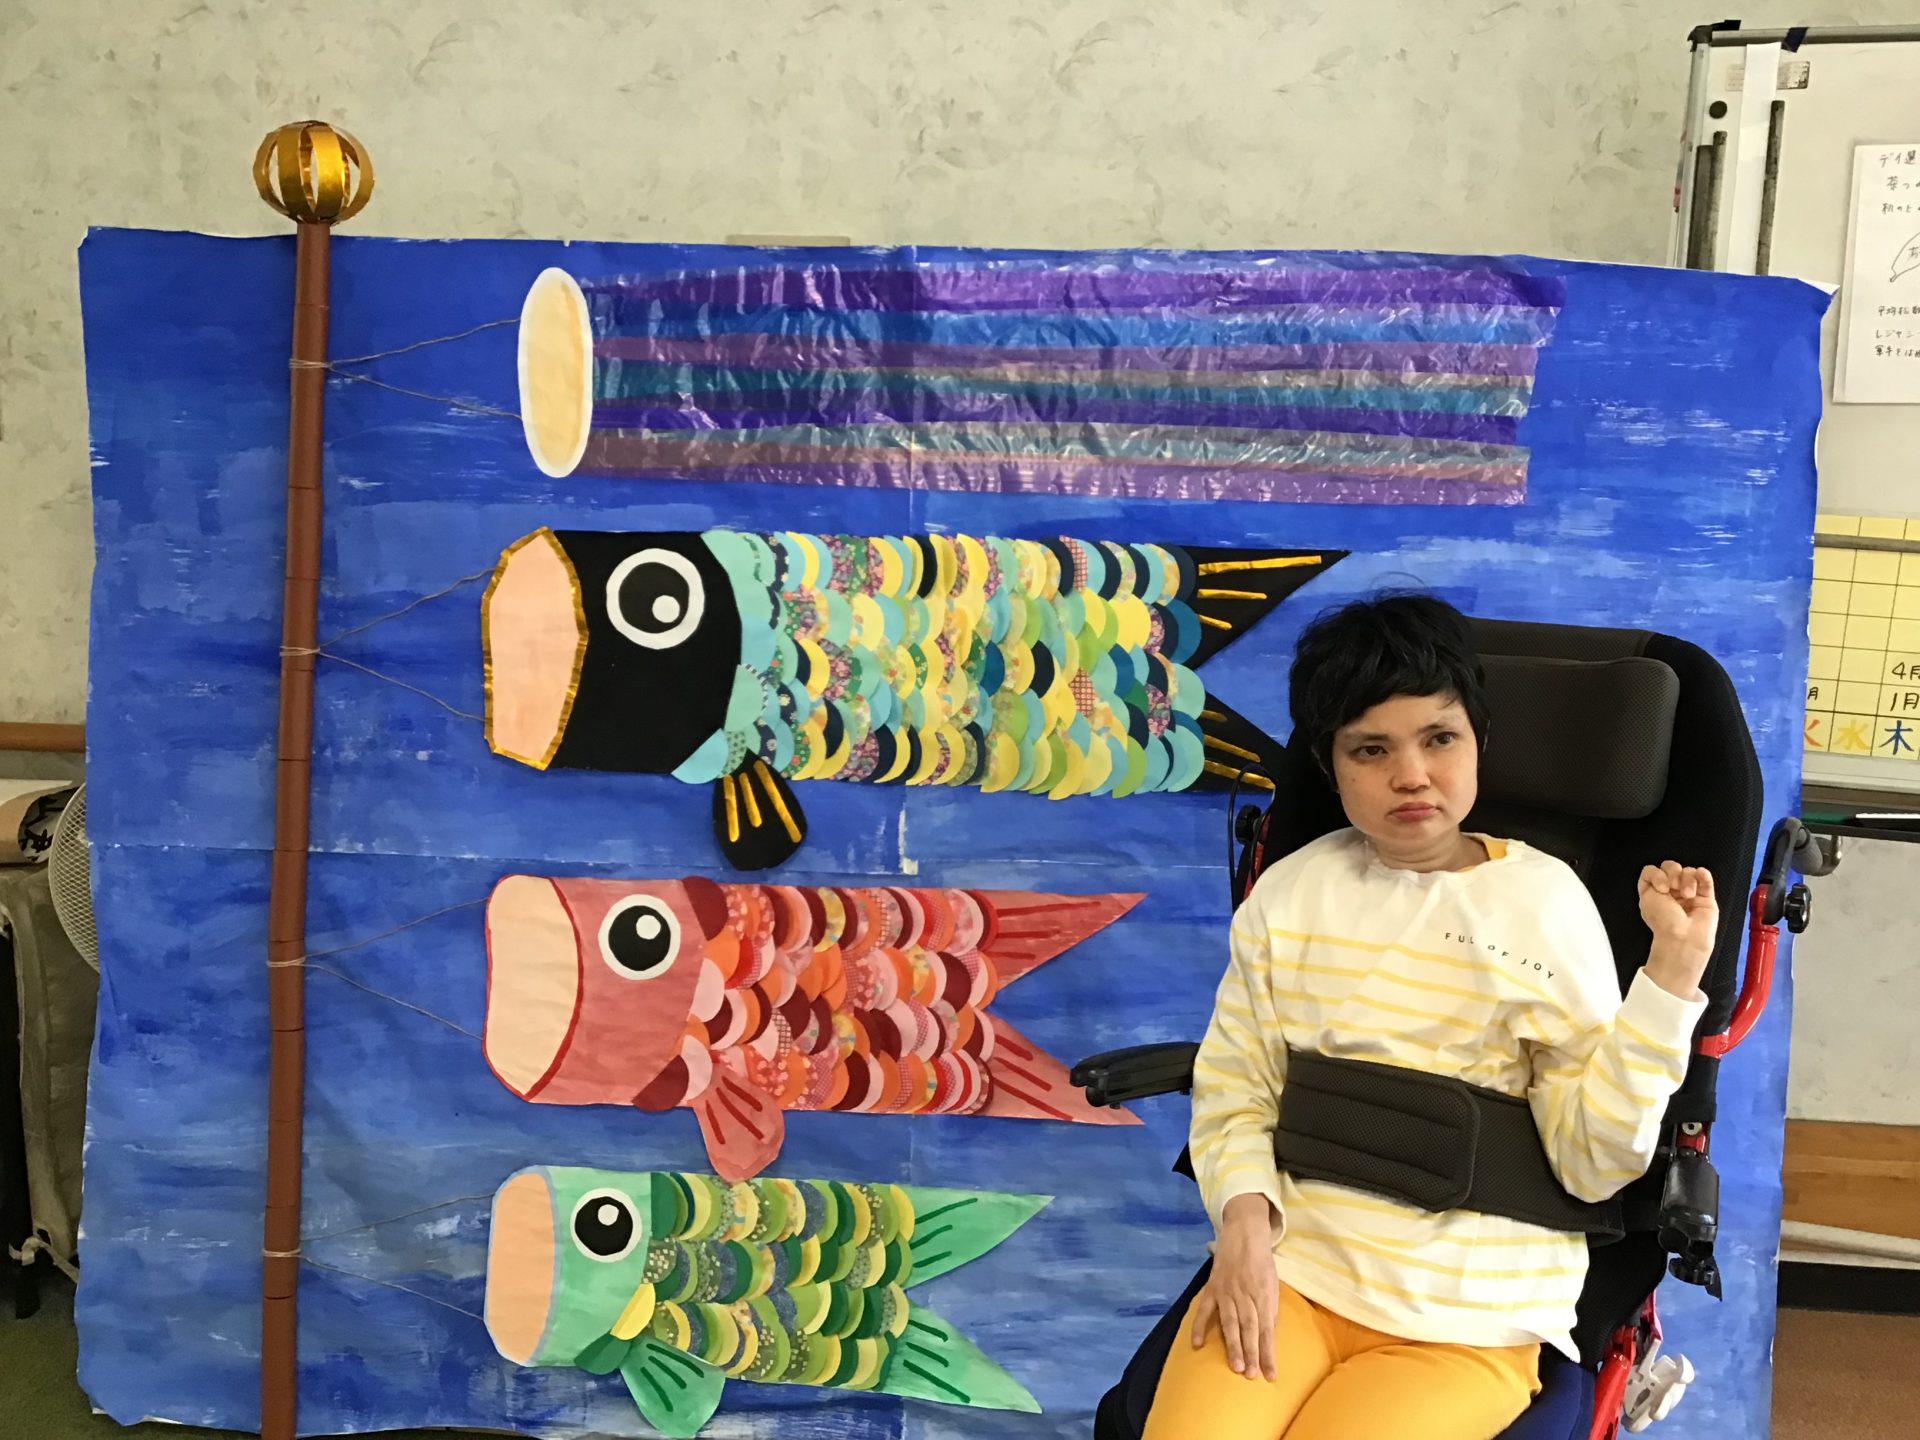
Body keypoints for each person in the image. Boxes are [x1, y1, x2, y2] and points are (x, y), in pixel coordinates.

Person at [1142, 595, 1720, 1440]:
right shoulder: (1293, 893)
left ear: (1479, 739)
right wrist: (1241, 1224)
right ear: (1330, 765)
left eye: (1439, 739)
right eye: (1371, 749)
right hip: (1292, 1277)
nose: (1411, 774)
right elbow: (1237, 1084)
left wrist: (1669, 978)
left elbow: (1593, 1163)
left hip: (1470, 1318)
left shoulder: (1545, 906)